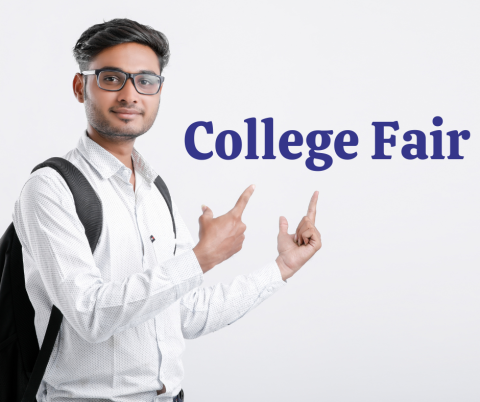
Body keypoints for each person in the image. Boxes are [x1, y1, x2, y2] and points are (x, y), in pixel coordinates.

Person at [12, 18, 322, 402]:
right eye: (111, 78)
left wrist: (282, 268)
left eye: (146, 80)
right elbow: (90, 315)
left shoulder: (155, 190)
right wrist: (201, 258)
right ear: (81, 87)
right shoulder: (49, 188)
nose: (130, 94)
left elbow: (185, 314)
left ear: (159, 90)